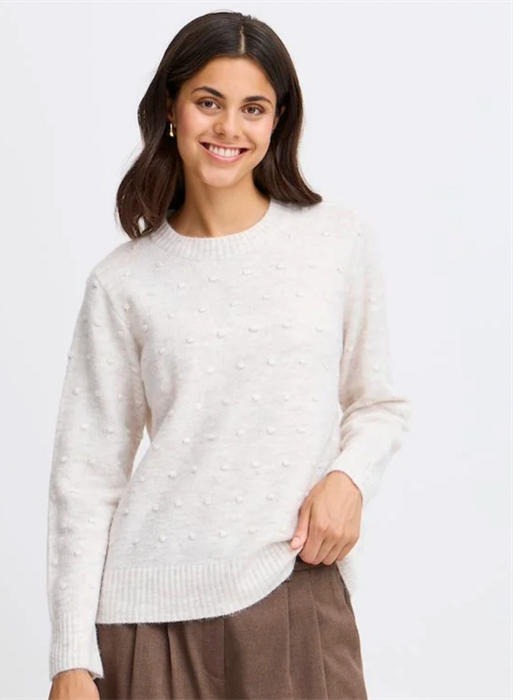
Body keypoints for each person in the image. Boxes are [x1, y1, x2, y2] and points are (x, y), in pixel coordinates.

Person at [46, 9, 412, 700]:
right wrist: (69, 657)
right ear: (171, 109)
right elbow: (85, 478)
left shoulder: (336, 240)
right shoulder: (123, 281)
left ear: (277, 121)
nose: (229, 128)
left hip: (293, 587)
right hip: (146, 614)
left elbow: (378, 403)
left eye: (253, 108)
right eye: (208, 102)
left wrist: (349, 478)